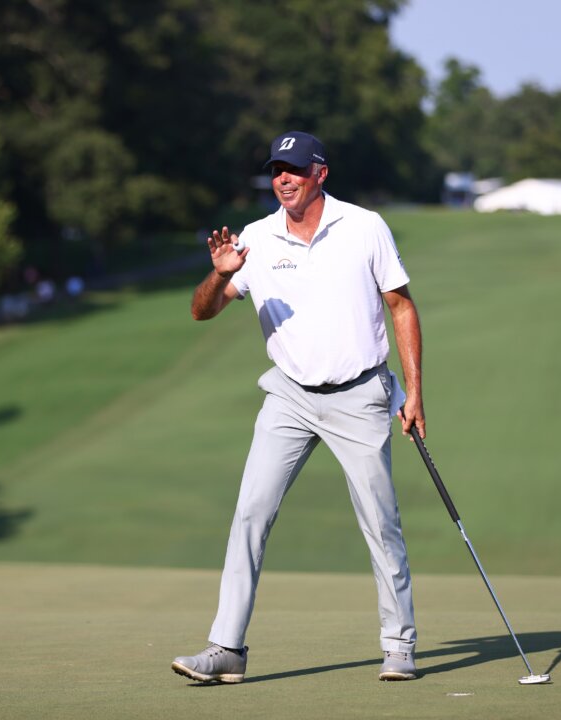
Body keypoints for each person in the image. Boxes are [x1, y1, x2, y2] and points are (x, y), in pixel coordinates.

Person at [171, 131, 426, 684]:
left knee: (380, 522)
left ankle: (399, 645)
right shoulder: (256, 239)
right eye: (275, 170)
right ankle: (227, 649)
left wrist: (415, 392)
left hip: (360, 394)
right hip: (289, 395)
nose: (282, 178)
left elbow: (401, 306)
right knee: (250, 513)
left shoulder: (364, 227)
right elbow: (201, 312)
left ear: (320, 174)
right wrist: (219, 274)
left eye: (293, 169)